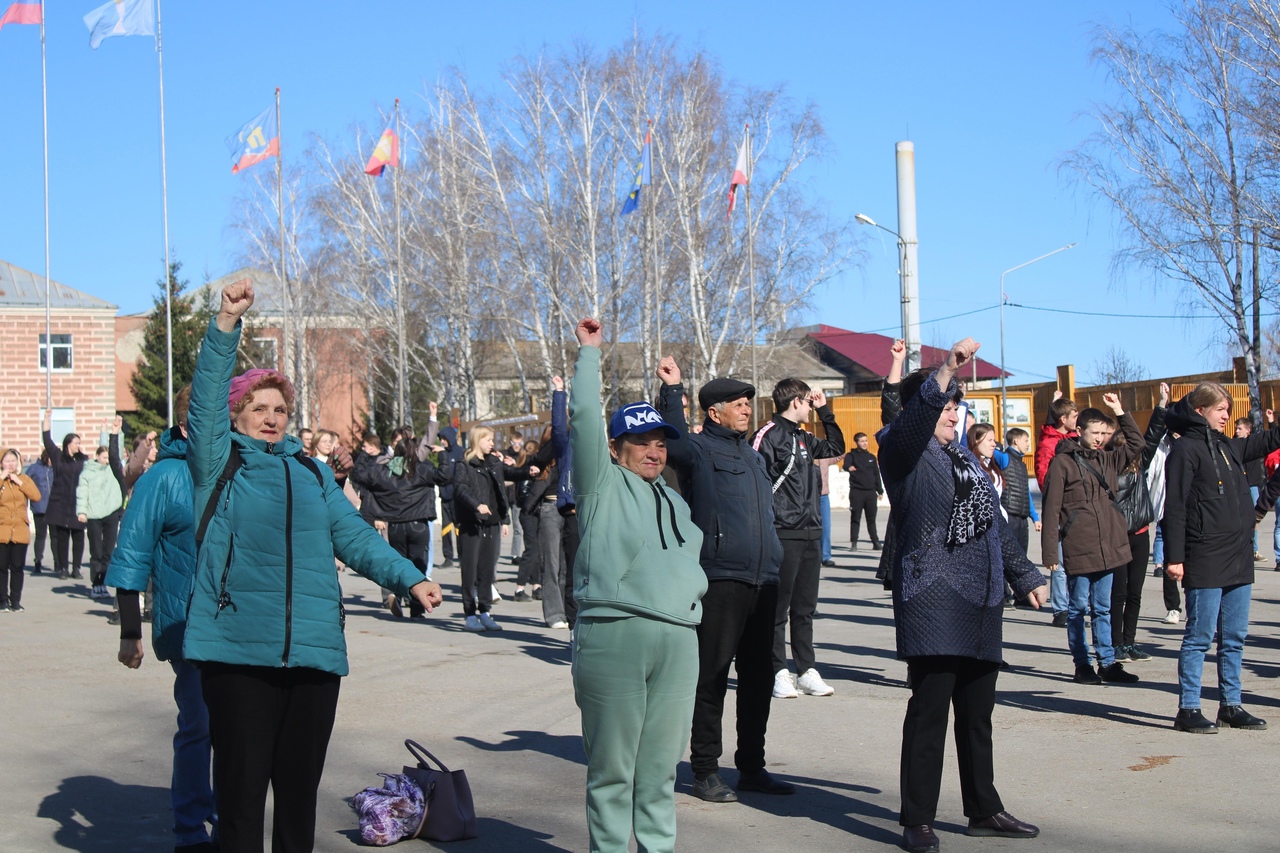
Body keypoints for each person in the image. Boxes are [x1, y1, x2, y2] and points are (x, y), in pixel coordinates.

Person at [184, 281, 443, 852]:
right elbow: (205, 399)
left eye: (280, 409)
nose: (272, 418)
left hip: (314, 653)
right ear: (237, 415)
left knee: (299, 798)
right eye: (259, 408)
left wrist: (410, 577)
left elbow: (352, 536)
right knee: (241, 796)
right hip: (237, 651)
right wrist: (226, 323)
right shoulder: (218, 462)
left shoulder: (312, 473)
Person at [877, 339, 1048, 853]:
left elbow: (994, 524)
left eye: (957, 406)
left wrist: (1026, 576)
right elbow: (916, 412)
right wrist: (946, 370)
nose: (954, 412)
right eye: (947, 405)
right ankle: (918, 819)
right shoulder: (901, 451)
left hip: (981, 598)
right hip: (932, 595)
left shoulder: (966, 461)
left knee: (978, 713)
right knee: (930, 711)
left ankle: (984, 809)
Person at [567, 317, 707, 853]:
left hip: (678, 639)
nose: (654, 451)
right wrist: (589, 355)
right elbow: (582, 420)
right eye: (642, 442)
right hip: (615, 632)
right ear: (618, 446)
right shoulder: (601, 484)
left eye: (661, 443)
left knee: (658, 772)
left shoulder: (673, 499)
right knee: (612, 771)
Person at [656, 357, 791, 804]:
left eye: (748, 402)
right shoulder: (698, 449)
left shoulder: (753, 456)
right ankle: (705, 769)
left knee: (758, 679)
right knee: (711, 677)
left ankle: (752, 767)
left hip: (763, 580)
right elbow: (671, 441)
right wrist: (673, 390)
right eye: (737, 403)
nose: (746, 409)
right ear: (713, 412)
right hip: (720, 579)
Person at [106, 385, 219, 853]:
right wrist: (131, 633)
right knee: (201, 725)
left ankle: (229, 819)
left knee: (241, 730)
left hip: (246, 626)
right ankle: (191, 829)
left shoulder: (241, 468)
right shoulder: (163, 478)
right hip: (188, 626)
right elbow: (131, 554)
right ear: (187, 423)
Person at [1164, 383, 1279, 733]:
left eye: (1228, 410)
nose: (1227, 416)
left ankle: (1231, 704)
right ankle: (1188, 708)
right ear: (1201, 411)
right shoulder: (1185, 450)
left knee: (1234, 637)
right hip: (1205, 556)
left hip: (1238, 556)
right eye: (1221, 410)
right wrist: (1175, 557)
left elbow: (1264, 442)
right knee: (1200, 637)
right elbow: (1176, 508)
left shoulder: (1227, 445)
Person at [751, 378, 845, 700]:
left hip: (811, 532)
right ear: (795, 402)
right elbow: (755, 481)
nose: (810, 406)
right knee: (778, 609)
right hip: (783, 532)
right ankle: (778, 671)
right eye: (808, 401)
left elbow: (836, 448)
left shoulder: (806, 437)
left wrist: (824, 411)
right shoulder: (767, 435)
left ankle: (807, 670)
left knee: (805, 609)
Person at [1041, 398, 1142, 685]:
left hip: (1109, 545)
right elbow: (1051, 509)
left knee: (1103, 608)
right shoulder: (1063, 463)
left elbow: (1137, 443)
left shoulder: (1109, 459)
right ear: (1080, 430)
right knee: (1077, 609)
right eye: (1094, 432)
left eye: (1103, 433)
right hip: (1079, 545)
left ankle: (1107, 662)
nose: (1099, 439)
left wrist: (1121, 411)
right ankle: (1082, 663)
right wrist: (1051, 553)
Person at [350, 434, 450, 618]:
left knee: (399, 563)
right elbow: (444, 476)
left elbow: (358, 475)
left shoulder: (383, 471)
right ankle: (416, 608)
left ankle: (396, 594)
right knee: (418, 565)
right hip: (418, 523)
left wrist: (364, 454)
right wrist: (442, 455)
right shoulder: (421, 469)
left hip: (395, 524)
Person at [451, 425, 535, 631]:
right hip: (471, 523)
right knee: (470, 570)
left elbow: (511, 473)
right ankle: (470, 614)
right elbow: (460, 489)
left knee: (488, 571)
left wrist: (528, 472)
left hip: (492, 523)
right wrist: (476, 504)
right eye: (488, 439)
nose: (492, 443)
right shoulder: (464, 464)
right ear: (477, 440)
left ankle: (485, 612)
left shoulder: (494, 462)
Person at [1109, 391, 1167, 663]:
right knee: (1118, 593)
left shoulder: (1141, 465)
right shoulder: (1108, 471)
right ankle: (1116, 643)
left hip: (1141, 536)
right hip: (1118, 538)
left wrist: (1162, 405)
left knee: (1135, 592)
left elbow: (1152, 435)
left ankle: (1130, 642)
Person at [530, 378, 579, 630]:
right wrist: (559, 394)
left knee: (569, 568)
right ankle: (554, 614)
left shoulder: (584, 447)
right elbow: (559, 427)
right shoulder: (559, 448)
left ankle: (569, 614)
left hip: (572, 511)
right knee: (551, 563)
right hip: (551, 507)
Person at [1034, 393, 1079, 627]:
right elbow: (1042, 474)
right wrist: (1056, 496)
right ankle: (1061, 609)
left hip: (1078, 509)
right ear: (1063, 419)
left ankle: (1078, 606)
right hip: (1059, 508)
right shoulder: (1049, 443)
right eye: (1074, 415)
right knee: (1059, 562)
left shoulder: (1076, 439)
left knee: (1079, 561)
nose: (1077, 419)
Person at [76, 418, 126, 601]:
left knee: (108, 551)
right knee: (96, 551)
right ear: (97, 456)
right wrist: (82, 511)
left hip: (111, 513)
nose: (107, 460)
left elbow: (115, 452)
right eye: (103, 457)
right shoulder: (88, 472)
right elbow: (82, 493)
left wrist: (115, 432)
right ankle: (96, 584)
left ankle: (104, 582)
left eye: (108, 457)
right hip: (94, 515)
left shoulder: (112, 470)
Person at [42, 409, 88, 581]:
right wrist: (46, 419)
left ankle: (76, 568)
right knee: (61, 538)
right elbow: (47, 440)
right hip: (59, 504)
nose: (78, 446)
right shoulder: (58, 457)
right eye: (76, 443)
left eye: (79, 443)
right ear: (68, 443)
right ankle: (62, 568)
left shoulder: (83, 460)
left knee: (78, 537)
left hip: (77, 505)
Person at [0, 448, 41, 612]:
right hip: (2, 528)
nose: (10, 464)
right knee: (2, 567)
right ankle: (2, 600)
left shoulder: (23, 479)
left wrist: (19, 481)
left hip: (19, 528)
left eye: (13, 461)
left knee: (17, 567)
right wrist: (2, 478)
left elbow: (36, 496)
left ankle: (15, 600)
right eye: (7, 461)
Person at [511, 439, 544, 602]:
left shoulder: (523, 467)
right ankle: (520, 588)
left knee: (537, 549)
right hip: (529, 513)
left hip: (532, 513)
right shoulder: (528, 470)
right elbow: (524, 494)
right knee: (531, 550)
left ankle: (536, 586)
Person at [1000, 429, 1041, 558]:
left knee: (1022, 558)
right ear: (1016, 441)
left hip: (1022, 519)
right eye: (1026, 440)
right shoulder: (1005, 458)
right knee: (1009, 558)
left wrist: (1035, 517)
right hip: (1010, 516)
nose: (1028, 444)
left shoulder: (1022, 465)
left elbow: (1026, 492)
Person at [842, 432, 883, 550]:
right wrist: (848, 468)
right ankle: (854, 542)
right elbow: (846, 465)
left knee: (871, 519)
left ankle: (875, 542)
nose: (864, 443)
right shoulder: (851, 455)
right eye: (862, 441)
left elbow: (876, 474)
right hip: (857, 492)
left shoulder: (871, 457)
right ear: (856, 442)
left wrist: (879, 491)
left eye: (866, 441)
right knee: (855, 518)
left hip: (870, 493)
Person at [1235, 417, 1268, 561]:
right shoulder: (1233, 445)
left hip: (1253, 486)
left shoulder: (1254, 444)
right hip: (1238, 486)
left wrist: (1271, 422)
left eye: (1239, 429)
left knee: (1252, 519)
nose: (1236, 431)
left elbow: (1271, 439)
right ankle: (1239, 549)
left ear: (1248, 430)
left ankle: (1254, 550)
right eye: (1236, 428)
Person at [23, 450, 53, 575]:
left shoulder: (55, 468)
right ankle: (38, 562)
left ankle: (58, 564)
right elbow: (25, 484)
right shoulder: (34, 468)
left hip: (54, 507)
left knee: (55, 536)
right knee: (41, 535)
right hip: (39, 507)